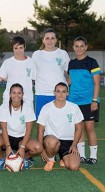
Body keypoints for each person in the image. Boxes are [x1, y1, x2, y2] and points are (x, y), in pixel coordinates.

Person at [0, 83, 43, 170]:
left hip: (22, 139)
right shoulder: (4, 107)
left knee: (39, 148)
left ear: (23, 94)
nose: (16, 95)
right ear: (10, 94)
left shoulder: (28, 108)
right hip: (7, 136)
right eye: (14, 93)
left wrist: (22, 147)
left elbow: (29, 130)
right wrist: (7, 146)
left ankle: (24, 158)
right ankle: (1, 159)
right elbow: (4, 129)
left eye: (19, 93)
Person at [67, 36, 101, 164]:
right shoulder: (71, 63)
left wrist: (94, 100)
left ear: (86, 47)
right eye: (77, 46)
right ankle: (81, 156)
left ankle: (93, 156)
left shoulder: (92, 62)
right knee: (78, 129)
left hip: (89, 101)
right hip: (74, 102)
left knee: (89, 128)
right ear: (73, 48)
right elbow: (70, 81)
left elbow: (97, 83)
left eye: (82, 46)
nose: (79, 48)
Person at [37, 82, 83, 171]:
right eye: (58, 91)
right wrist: (42, 150)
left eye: (64, 91)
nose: (61, 94)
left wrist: (74, 145)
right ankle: (51, 159)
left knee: (74, 167)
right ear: (54, 93)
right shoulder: (46, 108)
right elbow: (40, 130)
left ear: (67, 93)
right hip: (51, 140)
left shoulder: (74, 107)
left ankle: (63, 158)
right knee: (52, 141)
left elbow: (79, 128)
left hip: (68, 141)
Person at [32, 28, 70, 118]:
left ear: (56, 40)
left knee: (62, 123)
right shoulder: (36, 54)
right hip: (42, 94)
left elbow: (70, 72)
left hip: (60, 94)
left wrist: (66, 85)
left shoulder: (63, 53)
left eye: (52, 38)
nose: (50, 41)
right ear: (43, 40)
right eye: (47, 38)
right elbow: (32, 74)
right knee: (42, 126)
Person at [0, 36, 34, 106]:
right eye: (16, 48)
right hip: (9, 98)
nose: (18, 51)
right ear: (12, 48)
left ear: (24, 47)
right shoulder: (7, 62)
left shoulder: (31, 62)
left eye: (21, 48)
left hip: (27, 98)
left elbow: (35, 78)